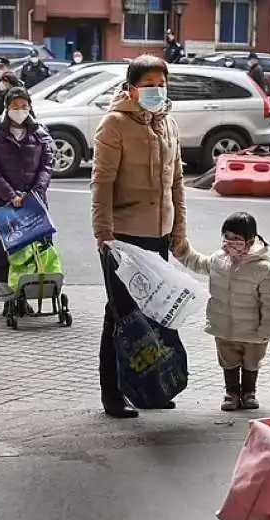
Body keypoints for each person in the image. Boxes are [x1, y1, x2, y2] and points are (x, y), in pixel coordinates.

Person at [91, 55, 187, 418]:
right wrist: (103, 234)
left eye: (161, 85)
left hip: (158, 234)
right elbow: (101, 184)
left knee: (154, 312)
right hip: (124, 237)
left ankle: (152, 389)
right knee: (121, 315)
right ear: (131, 88)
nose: (156, 91)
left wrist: (179, 232)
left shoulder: (169, 125)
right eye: (148, 85)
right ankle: (113, 393)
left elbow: (177, 184)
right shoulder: (113, 125)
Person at [173, 212, 270, 411]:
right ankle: (231, 393)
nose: (230, 245)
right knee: (228, 361)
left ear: (250, 242)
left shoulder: (262, 268)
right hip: (225, 328)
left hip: (254, 332)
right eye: (227, 239)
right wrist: (181, 250)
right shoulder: (218, 260)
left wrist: (269, 329)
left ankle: (249, 392)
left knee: (251, 362)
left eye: (237, 241)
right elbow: (197, 263)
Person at [0, 87, 54, 309]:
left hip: (34, 203)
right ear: (7, 108)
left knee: (34, 250)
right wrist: (10, 195)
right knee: (3, 252)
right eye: (15, 107)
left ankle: (27, 295)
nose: (20, 111)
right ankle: (9, 299)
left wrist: (36, 192)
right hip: (4, 202)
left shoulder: (40, 132)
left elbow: (47, 164)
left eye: (24, 106)